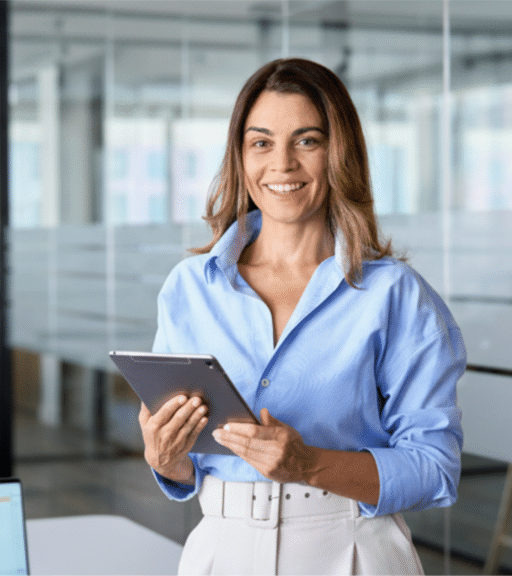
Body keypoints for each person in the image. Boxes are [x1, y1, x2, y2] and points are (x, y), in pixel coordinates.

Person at [138, 58, 466, 575]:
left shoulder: (394, 295)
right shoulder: (189, 288)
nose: (282, 164)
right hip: (221, 548)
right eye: (262, 142)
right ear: (241, 156)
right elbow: (189, 465)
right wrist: (165, 458)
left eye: (307, 141)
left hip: (352, 549)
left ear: (339, 154)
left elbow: (434, 468)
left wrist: (308, 464)